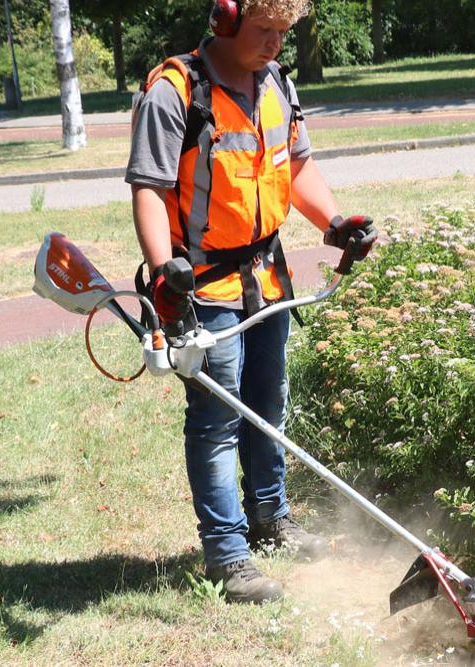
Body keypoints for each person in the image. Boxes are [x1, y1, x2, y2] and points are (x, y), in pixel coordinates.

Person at [126, 0, 378, 604]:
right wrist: (165, 273)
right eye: (263, 31)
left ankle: (271, 520)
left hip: (265, 277)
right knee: (218, 420)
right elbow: (149, 188)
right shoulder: (176, 91)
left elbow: (297, 168)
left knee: (269, 402)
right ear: (225, 19)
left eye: (283, 33)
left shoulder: (278, 86)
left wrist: (335, 222)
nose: (274, 45)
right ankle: (228, 555)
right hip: (202, 284)